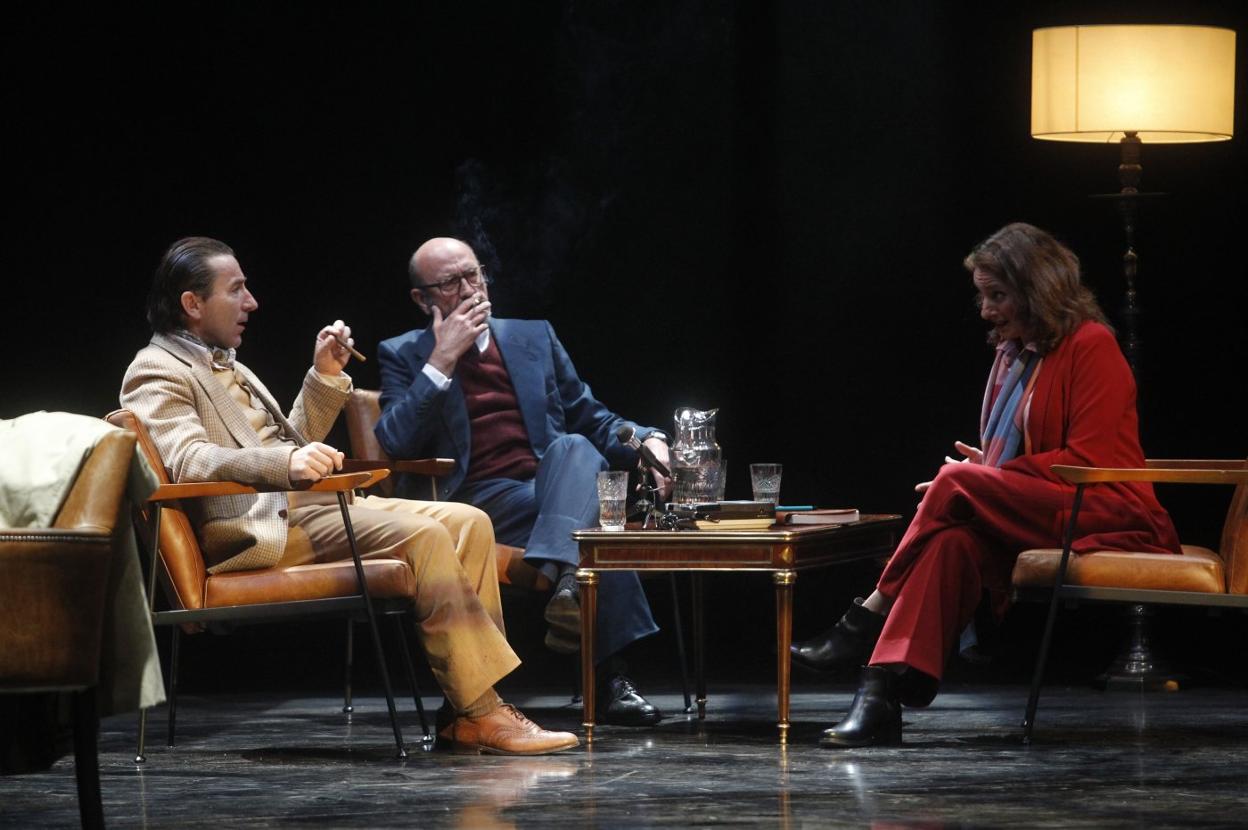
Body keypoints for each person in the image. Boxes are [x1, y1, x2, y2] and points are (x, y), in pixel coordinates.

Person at [120, 236, 578, 756]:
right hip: (260, 527)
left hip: (304, 507)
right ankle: (483, 711)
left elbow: (290, 443)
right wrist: (283, 464)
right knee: (426, 536)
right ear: (193, 303)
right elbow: (186, 459)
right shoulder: (156, 369)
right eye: (236, 289)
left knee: (470, 522)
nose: (251, 302)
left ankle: (466, 712)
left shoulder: (228, 365)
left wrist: (324, 376)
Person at [791, 222, 1182, 748]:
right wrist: (991, 470)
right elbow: (1029, 455)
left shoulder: (1093, 345)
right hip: (1049, 503)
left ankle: (866, 617)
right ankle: (881, 690)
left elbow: (1088, 460)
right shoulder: (1014, 356)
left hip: (1106, 507)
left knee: (954, 481)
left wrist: (989, 478)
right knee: (952, 541)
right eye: (982, 296)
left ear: (1036, 288)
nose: (986, 311)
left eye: (997, 296)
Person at [375, 237, 670, 727]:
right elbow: (395, 440)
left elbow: (590, 416)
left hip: (553, 487)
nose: (468, 289)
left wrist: (649, 439)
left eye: (473, 274)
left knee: (575, 448)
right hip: (474, 502)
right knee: (598, 522)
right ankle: (608, 677)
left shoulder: (534, 336)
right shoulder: (403, 353)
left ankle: (568, 588)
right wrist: (442, 359)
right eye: (449, 283)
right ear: (422, 299)